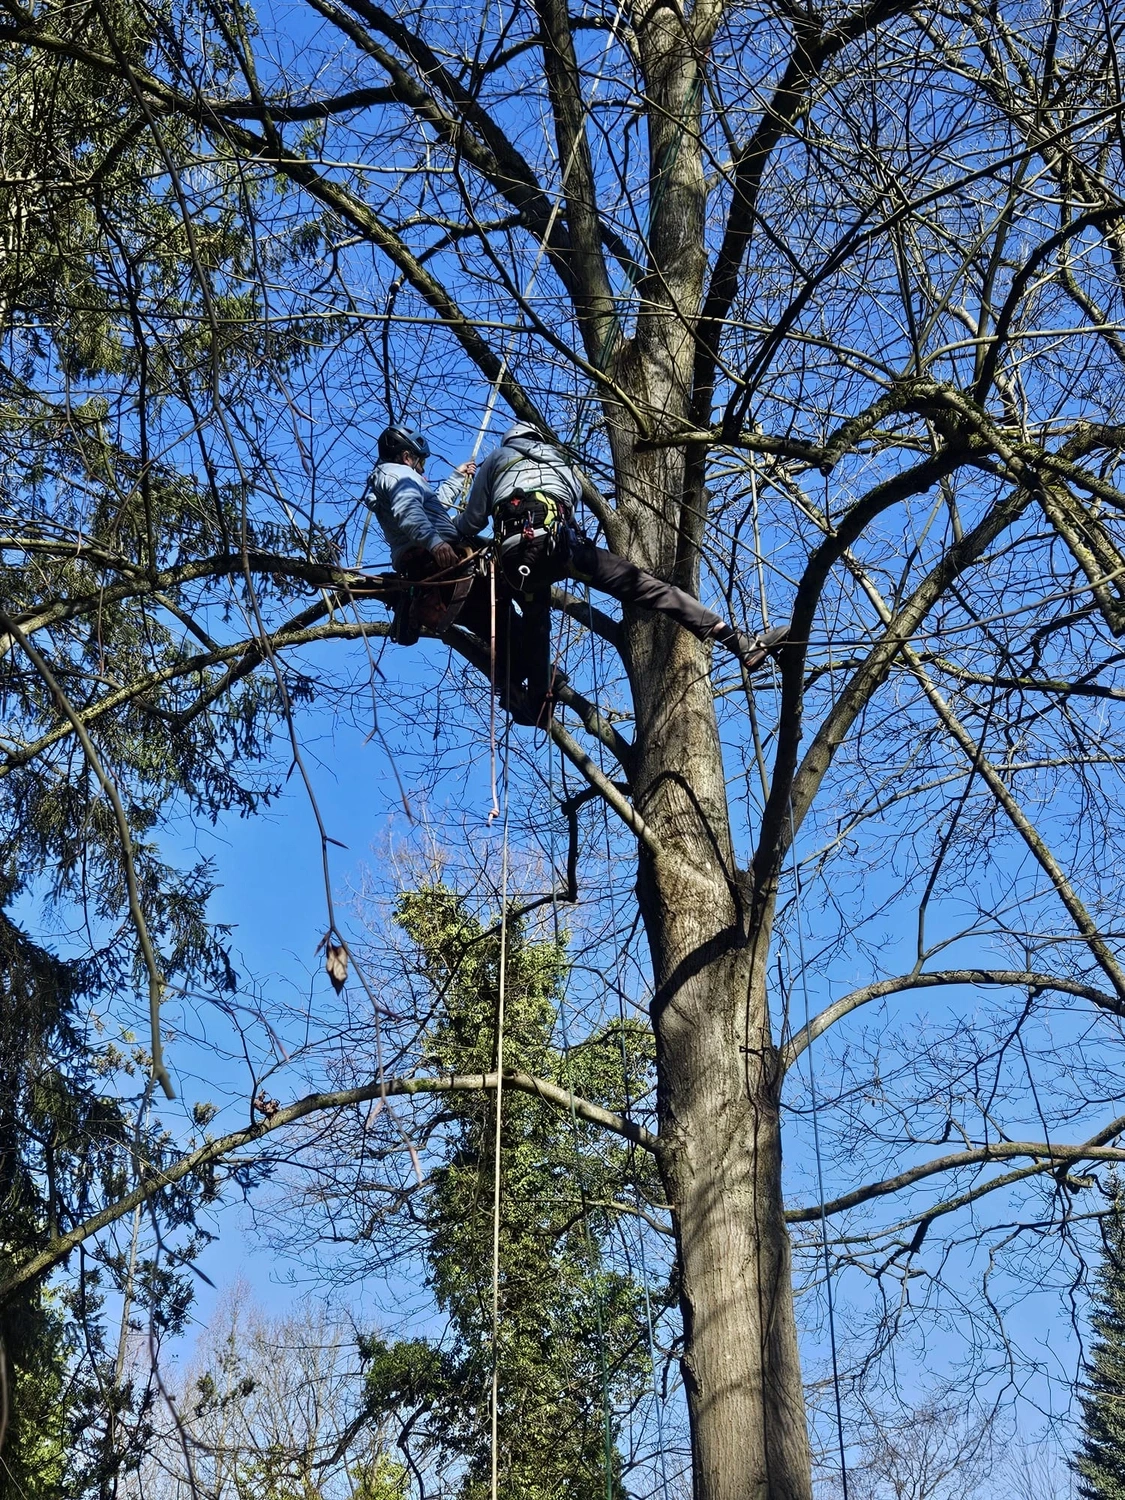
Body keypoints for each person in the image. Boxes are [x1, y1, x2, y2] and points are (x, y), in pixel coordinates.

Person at [455, 421, 787, 720]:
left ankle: (539, 704)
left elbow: (470, 521)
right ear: (537, 438)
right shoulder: (559, 460)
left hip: (515, 563)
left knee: (536, 622)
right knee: (651, 589)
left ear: (509, 441)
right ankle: (739, 642)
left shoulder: (495, 460)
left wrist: (454, 519)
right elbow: (569, 504)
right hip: (560, 550)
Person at [362, 424, 532, 710]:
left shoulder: (392, 480)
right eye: (420, 462)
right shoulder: (398, 475)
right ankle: (524, 680)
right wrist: (435, 544)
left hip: (431, 565)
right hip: (440, 562)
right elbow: (410, 511)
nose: (422, 470)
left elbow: (432, 509)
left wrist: (455, 479)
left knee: (495, 624)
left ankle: (514, 685)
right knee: (505, 615)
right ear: (406, 457)